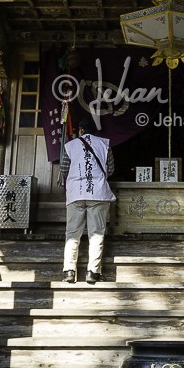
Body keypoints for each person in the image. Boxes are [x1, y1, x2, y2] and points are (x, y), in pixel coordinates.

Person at [59, 114, 114, 284]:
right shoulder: (104, 144)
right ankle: (93, 272)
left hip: (76, 194)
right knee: (96, 233)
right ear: (94, 131)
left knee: (72, 233)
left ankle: (69, 271)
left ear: (80, 131)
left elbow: (64, 169)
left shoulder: (70, 146)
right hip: (97, 193)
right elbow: (110, 169)